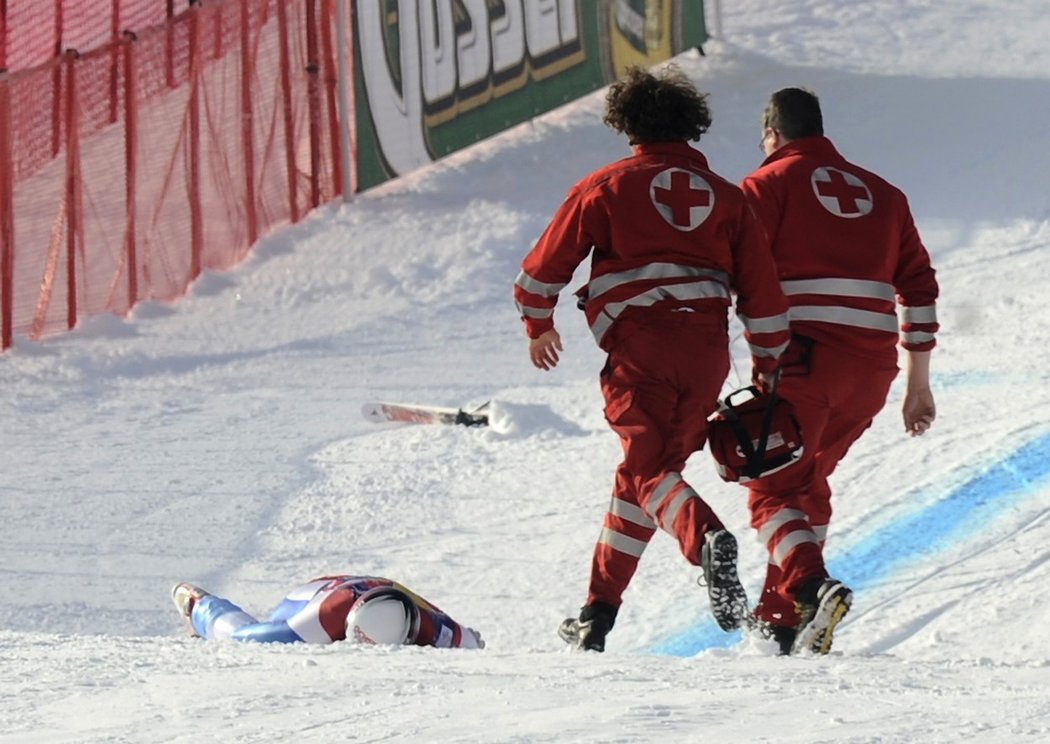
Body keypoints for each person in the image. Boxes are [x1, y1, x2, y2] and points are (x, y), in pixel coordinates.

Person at [513, 65, 791, 652]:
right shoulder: (728, 198)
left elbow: (542, 271)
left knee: (647, 474)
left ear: (627, 123)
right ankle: (596, 614)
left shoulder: (605, 187)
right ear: (691, 126)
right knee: (642, 479)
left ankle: (707, 539)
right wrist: (767, 368)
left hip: (641, 351)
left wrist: (538, 325)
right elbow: (763, 298)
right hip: (707, 357)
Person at [739, 87, 939, 655]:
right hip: (871, 371)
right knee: (808, 483)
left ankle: (808, 592)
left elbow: (734, 266)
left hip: (801, 365)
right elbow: (919, 288)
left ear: (773, 134)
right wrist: (916, 384)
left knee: (770, 488)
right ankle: (781, 626)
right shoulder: (886, 194)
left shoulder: (764, 187)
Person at [171, 575, 484, 649]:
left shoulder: (433, 629)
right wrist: (201, 609)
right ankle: (200, 605)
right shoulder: (319, 621)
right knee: (256, 635)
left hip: (374, 590)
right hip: (315, 595)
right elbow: (246, 636)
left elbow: (469, 640)